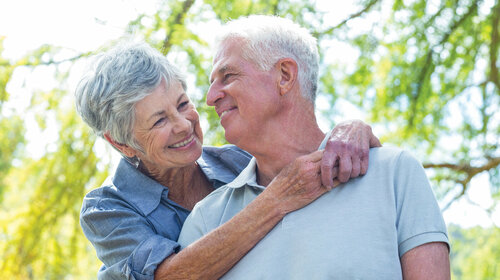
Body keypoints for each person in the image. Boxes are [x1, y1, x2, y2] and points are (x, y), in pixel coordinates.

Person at [74, 41, 381, 279]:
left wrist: (350, 131)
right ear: (121, 143)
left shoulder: (237, 160)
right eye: (159, 121)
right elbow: (170, 276)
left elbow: (311, 161)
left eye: (183, 104)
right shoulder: (107, 208)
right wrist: (277, 198)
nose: (183, 124)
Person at [178, 15, 450, 279]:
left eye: (228, 76)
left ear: (284, 76)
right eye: (212, 83)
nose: (210, 98)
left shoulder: (393, 175)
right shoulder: (206, 220)